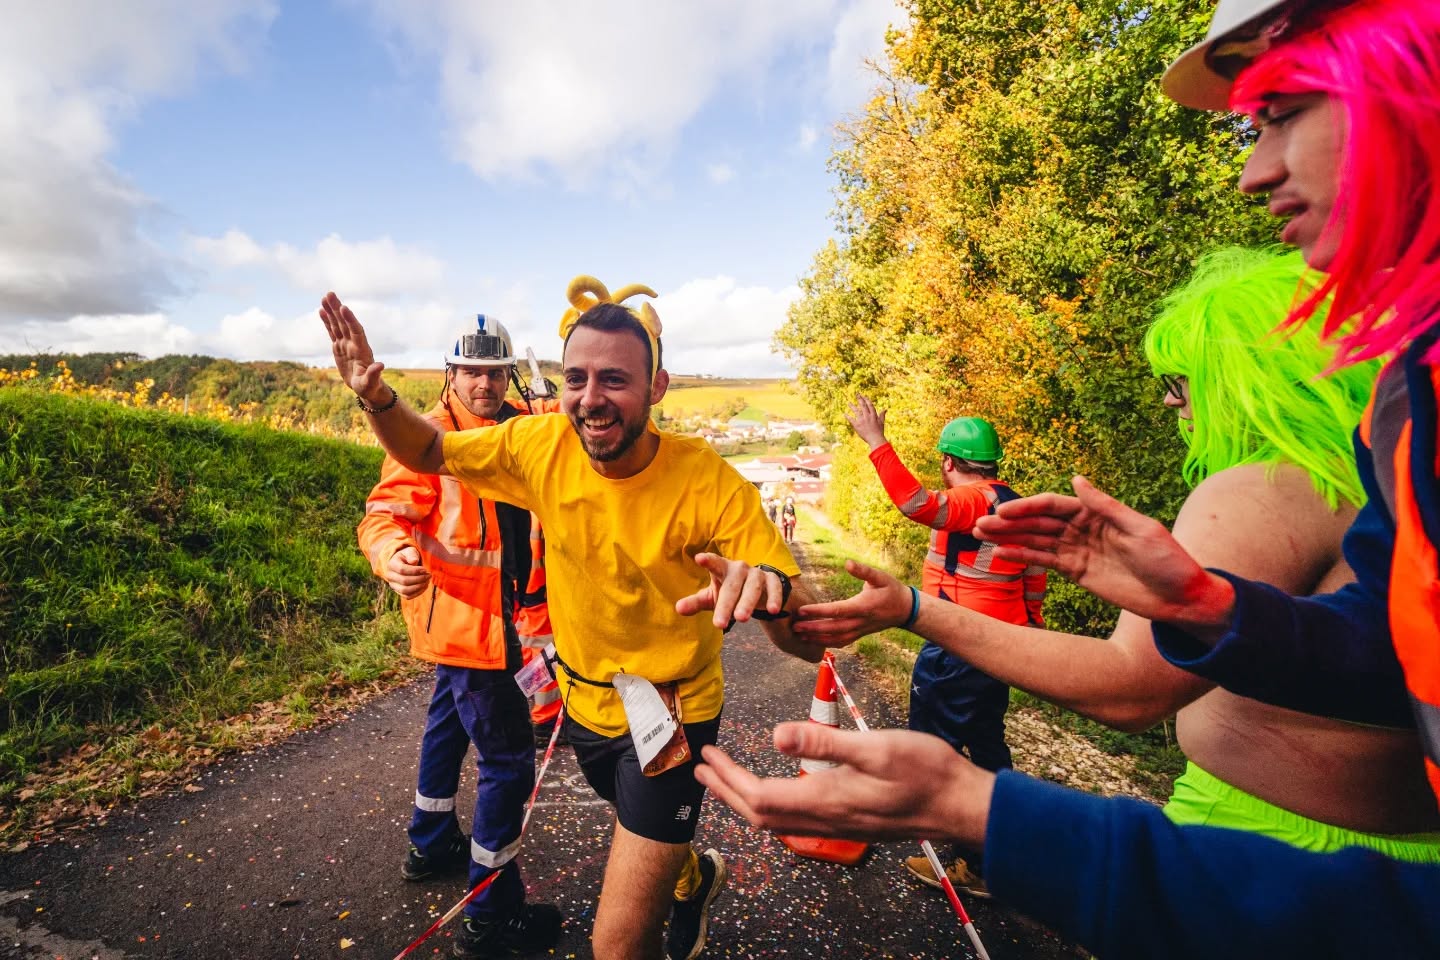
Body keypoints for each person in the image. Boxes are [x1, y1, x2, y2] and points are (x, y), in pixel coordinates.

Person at [696, 1, 1440, 955]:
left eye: (1285, 112)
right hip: (1343, 860)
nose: (1253, 170)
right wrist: (1214, 610)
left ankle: (965, 853)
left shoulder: (1250, 490)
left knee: (967, 745)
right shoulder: (1391, 445)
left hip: (1270, 850)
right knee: (980, 741)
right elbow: (1391, 649)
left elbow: (938, 522)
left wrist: (878, 462)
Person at [322, 274, 824, 960]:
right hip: (585, 705)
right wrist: (376, 397)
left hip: (672, 716)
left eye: (615, 379)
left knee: (615, 944)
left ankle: (667, 876)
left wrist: (774, 596)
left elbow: (805, 642)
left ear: (658, 386)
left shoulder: (707, 481)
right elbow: (428, 452)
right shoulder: (541, 444)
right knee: (643, 829)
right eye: (577, 378)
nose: (590, 399)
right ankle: (693, 877)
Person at [355, 314, 563, 956]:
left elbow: (558, 429)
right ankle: (490, 913)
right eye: (472, 371)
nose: (484, 384)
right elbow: (383, 514)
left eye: (495, 372)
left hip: (501, 621)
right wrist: (391, 555)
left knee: (445, 726)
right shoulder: (427, 439)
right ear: (451, 374)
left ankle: (430, 842)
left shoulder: (520, 428)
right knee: (508, 764)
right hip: (472, 630)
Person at [843, 402, 1046, 892]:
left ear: (949, 462)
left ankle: (972, 862)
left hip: (958, 646)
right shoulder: (1017, 503)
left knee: (936, 751)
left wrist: (876, 441)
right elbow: (1035, 575)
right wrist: (1030, 626)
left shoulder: (973, 500)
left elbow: (916, 504)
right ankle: (1002, 848)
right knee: (987, 744)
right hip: (1002, 645)